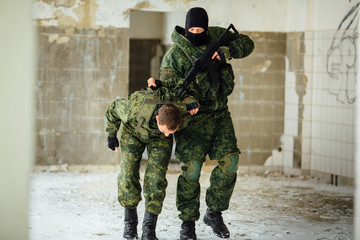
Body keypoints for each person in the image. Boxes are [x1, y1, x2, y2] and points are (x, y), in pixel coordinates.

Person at [148, 7, 254, 240]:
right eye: (192, 29)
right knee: (192, 171)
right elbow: (167, 92)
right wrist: (185, 99)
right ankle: (188, 224)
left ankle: (214, 212)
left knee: (231, 162)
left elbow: (248, 43)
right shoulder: (174, 56)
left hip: (219, 114)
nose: (197, 33)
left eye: (200, 29)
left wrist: (228, 50)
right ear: (186, 28)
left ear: (206, 27)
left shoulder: (216, 37)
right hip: (192, 119)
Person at [105, 88, 191, 240]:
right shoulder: (133, 109)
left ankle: (149, 230)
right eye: (166, 130)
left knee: (156, 179)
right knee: (127, 174)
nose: (167, 135)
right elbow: (113, 108)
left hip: (157, 139)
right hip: (133, 131)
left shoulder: (182, 114)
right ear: (158, 118)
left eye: (170, 133)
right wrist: (111, 134)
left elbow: (173, 127)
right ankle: (130, 226)